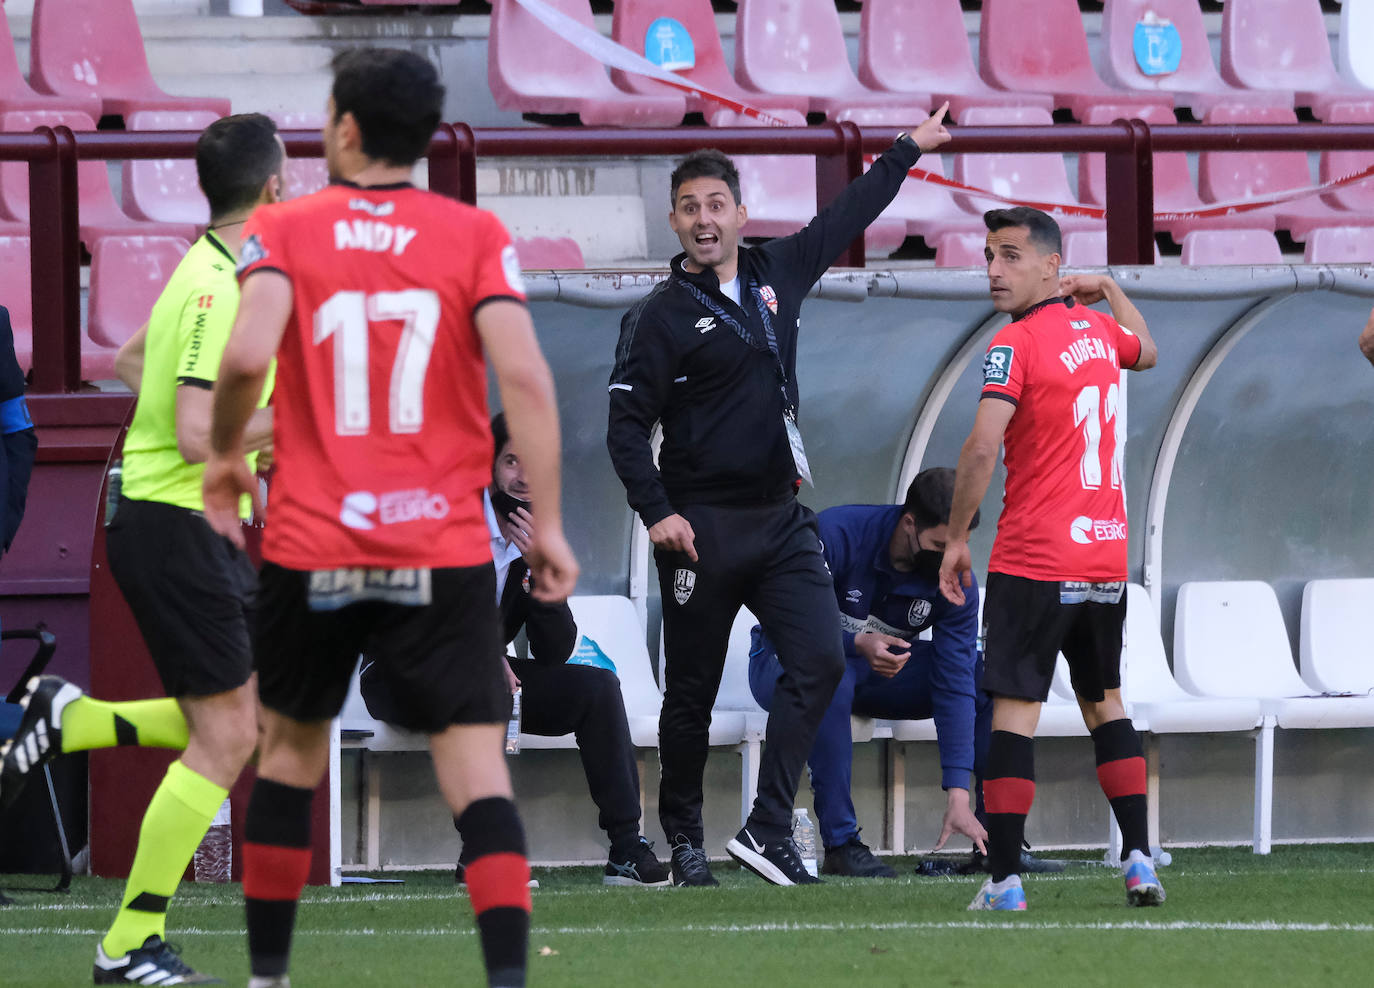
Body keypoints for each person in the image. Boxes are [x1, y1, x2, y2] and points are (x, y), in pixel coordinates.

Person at [201, 48, 577, 988]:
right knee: (477, 774)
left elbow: (246, 356)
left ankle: (269, 978)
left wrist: (219, 455)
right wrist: (555, 524)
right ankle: (505, 981)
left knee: (288, 757)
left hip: (313, 539)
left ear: (345, 129)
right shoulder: (473, 234)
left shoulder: (286, 228)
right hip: (436, 540)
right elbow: (526, 378)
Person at [606, 105, 952, 887]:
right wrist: (657, 511)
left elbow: (845, 215)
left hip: (781, 519)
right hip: (701, 528)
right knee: (690, 691)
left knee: (822, 659)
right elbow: (626, 428)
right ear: (674, 219)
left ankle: (766, 826)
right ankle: (685, 838)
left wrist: (905, 151)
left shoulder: (776, 273)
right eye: (690, 207)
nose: (704, 219)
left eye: (716, 204)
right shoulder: (656, 318)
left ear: (740, 213)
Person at [0, 113, 284, 985]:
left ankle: (71, 720)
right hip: (172, 522)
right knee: (234, 732)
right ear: (274, 187)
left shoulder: (205, 272)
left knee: (249, 722)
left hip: (178, 522)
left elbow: (129, 362)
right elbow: (200, 433)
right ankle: (126, 943)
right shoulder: (216, 286)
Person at [938, 206, 1162, 912]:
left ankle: (1003, 881)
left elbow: (979, 448)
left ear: (1048, 267)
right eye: (988, 254)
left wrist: (955, 536)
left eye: (1009, 255)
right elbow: (1148, 350)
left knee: (1014, 713)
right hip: (1104, 560)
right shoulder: (1098, 331)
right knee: (1107, 706)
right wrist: (1109, 287)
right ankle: (1139, 861)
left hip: (1034, 557)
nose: (993, 269)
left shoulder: (1015, 344)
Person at [360, 412, 668, 887]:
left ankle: (626, 847)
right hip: (397, 672)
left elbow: (555, 652)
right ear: (489, 468)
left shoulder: (534, 538)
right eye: (511, 461)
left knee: (596, 688)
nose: (524, 476)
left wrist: (540, 573)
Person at [748, 468, 988, 878]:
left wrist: (957, 790)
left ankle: (995, 836)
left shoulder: (957, 578)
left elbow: (955, 679)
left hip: (876, 674)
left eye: (962, 544)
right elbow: (786, 618)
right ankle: (841, 844)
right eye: (941, 544)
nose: (953, 556)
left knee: (986, 677)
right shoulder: (837, 533)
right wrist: (855, 643)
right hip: (785, 662)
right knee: (831, 675)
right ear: (909, 523)